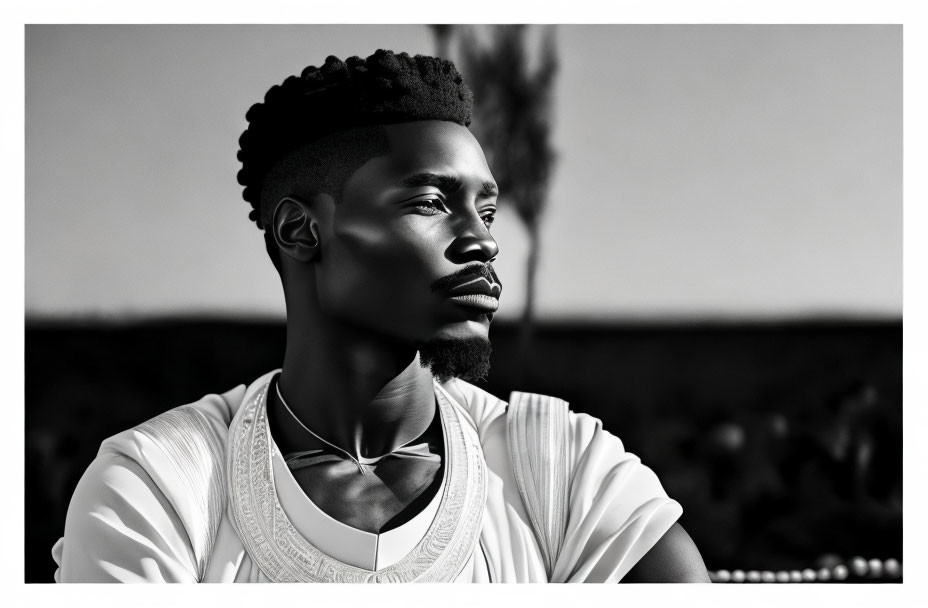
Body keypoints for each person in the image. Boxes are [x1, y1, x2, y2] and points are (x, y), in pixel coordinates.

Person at [52, 49, 709, 583]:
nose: (482, 240)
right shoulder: (160, 489)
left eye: (484, 210)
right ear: (301, 231)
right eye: (429, 202)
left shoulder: (560, 469)